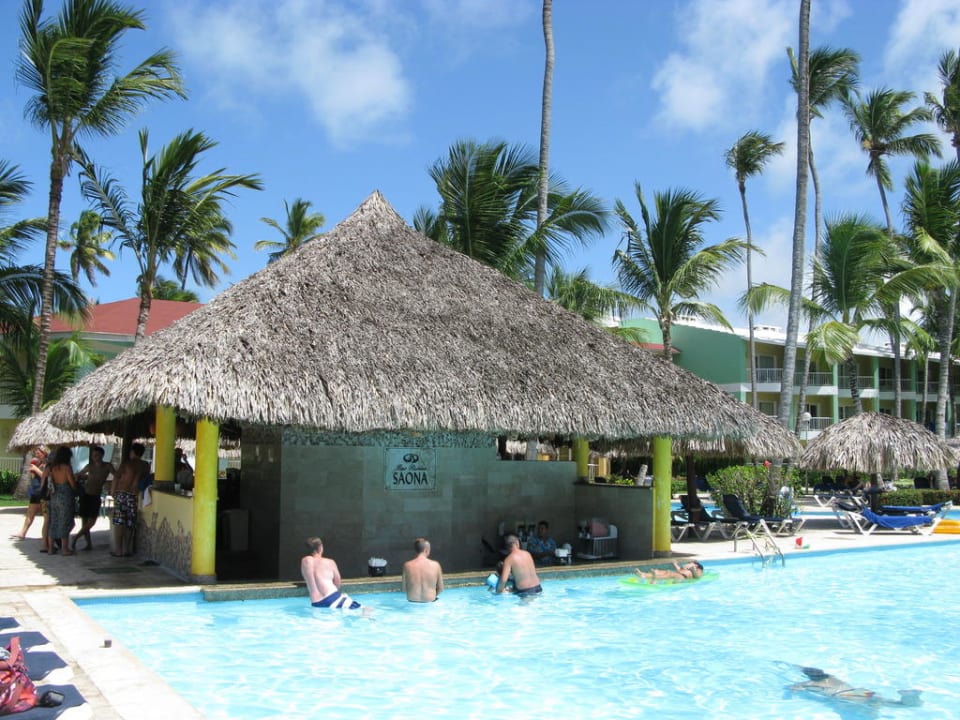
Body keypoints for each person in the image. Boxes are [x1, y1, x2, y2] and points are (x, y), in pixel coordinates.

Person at [790, 667, 922, 706]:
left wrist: (795, 689)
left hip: (847, 696)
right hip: (860, 692)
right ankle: (909, 695)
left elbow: (794, 689)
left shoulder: (809, 683)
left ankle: (907, 696)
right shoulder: (832, 677)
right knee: (898, 705)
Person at [71, 445, 116, 551]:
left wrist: (112, 486)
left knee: (92, 521)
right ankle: (88, 544)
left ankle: (76, 537)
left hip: (96, 495)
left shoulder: (107, 466)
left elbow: (116, 475)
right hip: (86, 495)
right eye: (93, 455)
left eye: (97, 455)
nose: (95, 457)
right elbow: (79, 474)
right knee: (84, 521)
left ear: (102, 455)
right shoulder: (89, 466)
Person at [300, 537, 362, 609]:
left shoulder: (305, 561)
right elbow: (337, 582)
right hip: (333, 598)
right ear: (320, 547)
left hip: (317, 604)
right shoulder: (330, 562)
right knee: (366, 609)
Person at [110, 443, 150, 558]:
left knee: (119, 522)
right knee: (129, 522)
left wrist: (113, 491)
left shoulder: (127, 463)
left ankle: (119, 550)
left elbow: (117, 476)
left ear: (132, 452)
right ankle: (127, 549)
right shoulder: (145, 465)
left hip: (122, 493)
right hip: (134, 495)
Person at [45, 446, 77, 556]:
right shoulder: (66, 467)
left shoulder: (53, 468)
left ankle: (50, 548)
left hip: (54, 495)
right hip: (65, 495)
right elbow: (72, 483)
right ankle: (64, 549)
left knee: (54, 521)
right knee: (65, 521)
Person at [12, 447, 47, 540]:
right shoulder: (38, 463)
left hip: (43, 491)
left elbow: (45, 476)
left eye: (38, 453)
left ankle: (45, 538)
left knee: (46, 516)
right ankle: (22, 532)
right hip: (36, 491)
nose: (36, 454)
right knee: (30, 513)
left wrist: (36, 469)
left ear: (44, 453)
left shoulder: (47, 464)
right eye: (36, 453)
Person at [401, 537, 444, 602]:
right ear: (426, 550)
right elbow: (441, 589)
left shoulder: (407, 565)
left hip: (412, 603)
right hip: (430, 604)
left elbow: (404, 589)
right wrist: (432, 596)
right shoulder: (436, 565)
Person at [635, 560, 703, 583]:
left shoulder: (698, 568)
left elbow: (697, 577)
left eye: (691, 562)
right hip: (678, 573)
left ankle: (655, 579)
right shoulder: (686, 567)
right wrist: (675, 564)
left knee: (667, 575)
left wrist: (692, 568)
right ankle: (643, 574)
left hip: (681, 576)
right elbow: (679, 569)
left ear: (696, 564)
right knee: (661, 572)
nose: (689, 562)